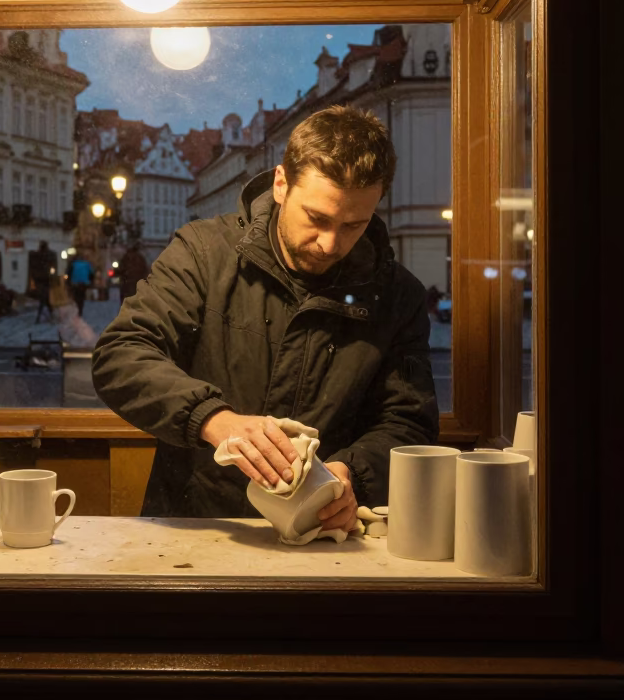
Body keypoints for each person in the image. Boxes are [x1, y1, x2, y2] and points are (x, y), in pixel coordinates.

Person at [91, 106, 439, 531]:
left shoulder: (398, 295)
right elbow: (121, 354)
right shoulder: (204, 252)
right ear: (280, 184)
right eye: (317, 218)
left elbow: (408, 422)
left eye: (355, 225)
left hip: (321, 531)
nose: (331, 244)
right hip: (195, 522)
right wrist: (214, 419)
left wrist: (353, 475)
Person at [29, 240, 57, 323]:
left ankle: (41, 317)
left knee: (44, 298)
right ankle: (49, 315)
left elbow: (33, 266)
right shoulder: (49, 255)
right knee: (45, 298)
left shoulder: (37, 255)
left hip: (40, 279)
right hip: (46, 279)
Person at [67, 252, 94, 317]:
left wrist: (69, 281)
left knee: (76, 296)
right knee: (81, 297)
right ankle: (80, 309)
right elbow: (91, 274)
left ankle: (77, 308)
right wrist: (90, 281)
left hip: (75, 282)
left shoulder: (73, 264)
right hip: (84, 282)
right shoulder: (87, 264)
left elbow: (69, 273)